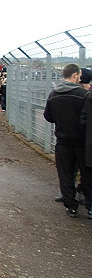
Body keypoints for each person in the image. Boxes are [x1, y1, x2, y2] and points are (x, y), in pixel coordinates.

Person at [44, 63, 92, 218]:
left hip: (63, 140)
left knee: (65, 174)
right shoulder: (84, 95)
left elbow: (48, 116)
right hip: (82, 141)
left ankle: (71, 206)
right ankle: (90, 207)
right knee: (87, 174)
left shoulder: (54, 94)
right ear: (75, 75)